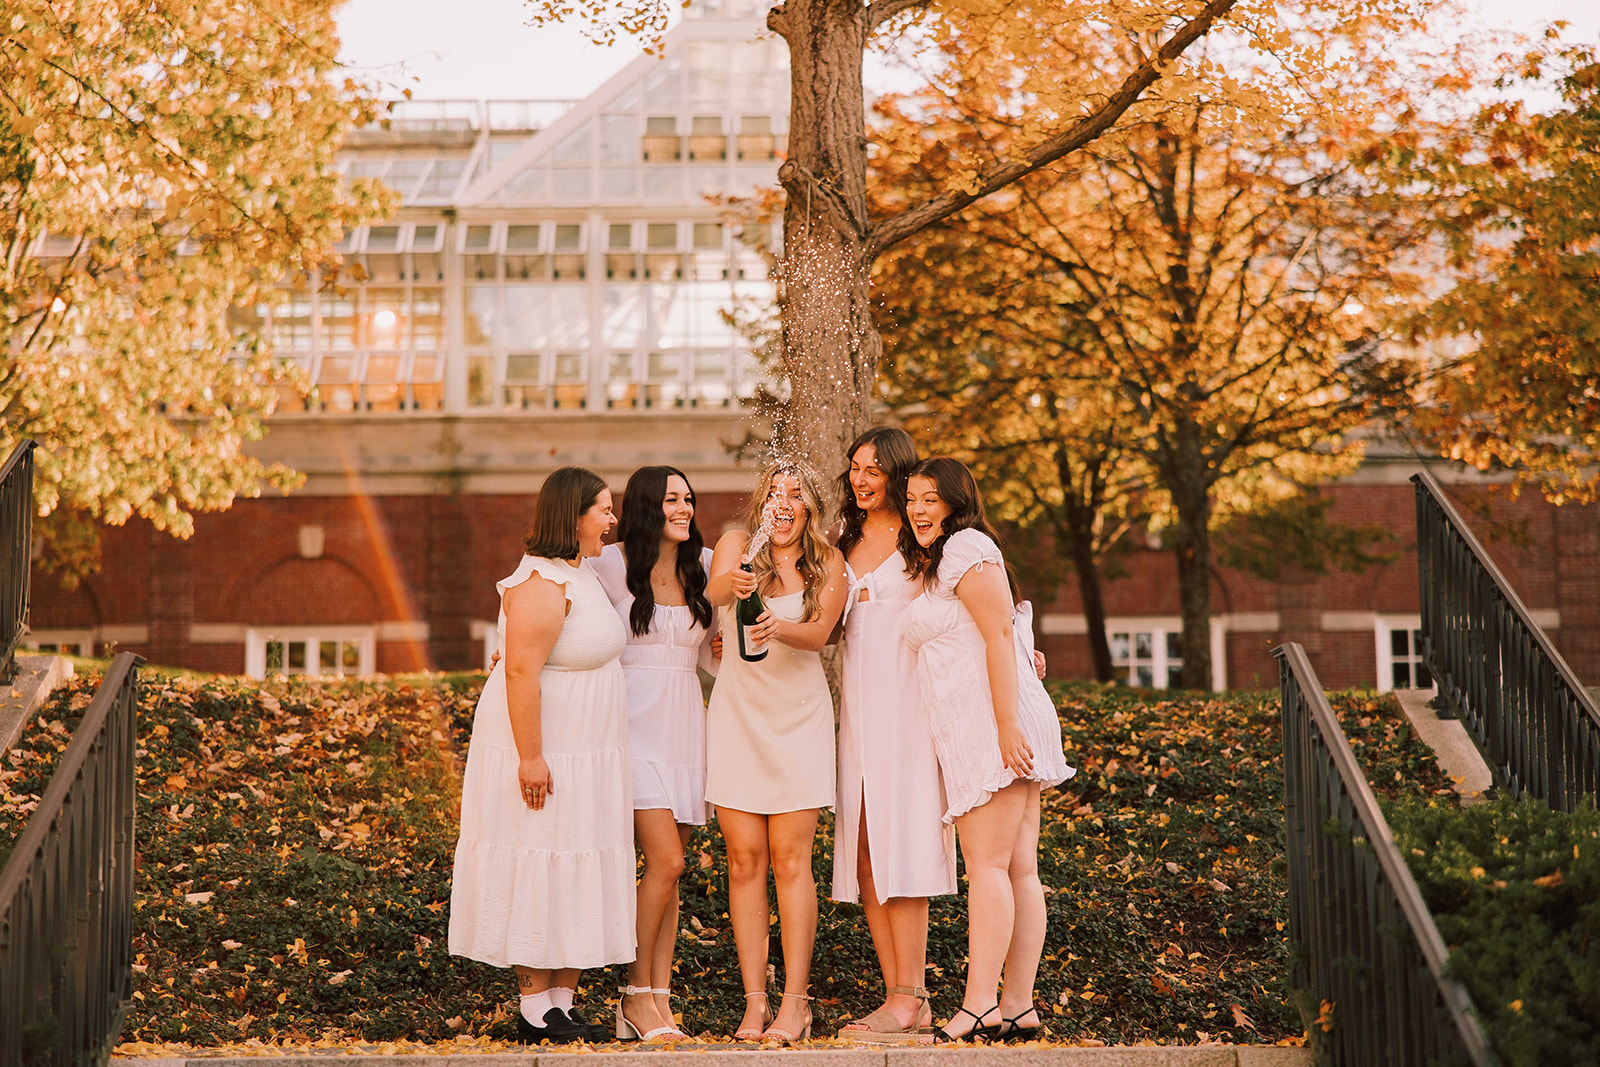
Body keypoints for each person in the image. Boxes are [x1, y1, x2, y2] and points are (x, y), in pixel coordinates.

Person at [448, 466, 634, 1045]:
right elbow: (521, 673)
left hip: (591, 752)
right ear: (571, 517)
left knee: (577, 856)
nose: (612, 519)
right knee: (540, 856)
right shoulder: (539, 584)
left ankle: (562, 1003)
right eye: (603, 509)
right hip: (545, 749)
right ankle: (533, 1006)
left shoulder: (584, 573)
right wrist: (532, 758)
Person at [901, 457, 1074, 1045]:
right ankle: (1018, 1005)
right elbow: (1008, 629)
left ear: (955, 501)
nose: (919, 509)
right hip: (998, 718)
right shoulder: (955, 555)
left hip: (989, 724)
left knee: (990, 867)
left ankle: (979, 1005)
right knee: (1019, 868)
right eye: (912, 498)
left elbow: (999, 633)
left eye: (930, 498)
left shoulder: (963, 546)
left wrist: (1005, 726)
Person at [704, 462, 847, 1044]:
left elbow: (818, 634)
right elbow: (710, 591)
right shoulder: (739, 545)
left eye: (795, 495)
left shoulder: (828, 563)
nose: (783, 504)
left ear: (809, 506)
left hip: (800, 722)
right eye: (774, 494)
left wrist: (775, 626)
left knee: (791, 863)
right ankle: (754, 1003)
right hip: (738, 719)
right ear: (762, 503)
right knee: (744, 863)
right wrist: (733, 584)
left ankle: (795, 1003)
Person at [830, 427, 956, 1038]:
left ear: (899, 475)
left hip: (909, 709)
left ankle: (911, 994)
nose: (860, 478)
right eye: (855, 467)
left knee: (902, 842)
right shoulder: (841, 540)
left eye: (874, 469)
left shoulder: (927, 538)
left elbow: (979, 595)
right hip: (857, 710)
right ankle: (900, 996)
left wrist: (1020, 651)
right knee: (864, 848)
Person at [590, 465, 718, 1041]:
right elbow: (557, 605)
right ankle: (633, 996)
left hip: (687, 729)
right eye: (671, 499)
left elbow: (719, 654)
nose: (684, 508)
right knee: (666, 862)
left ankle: (658, 1002)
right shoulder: (611, 565)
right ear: (647, 506)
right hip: (630, 730)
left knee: (668, 876)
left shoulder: (706, 567)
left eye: (688, 499)